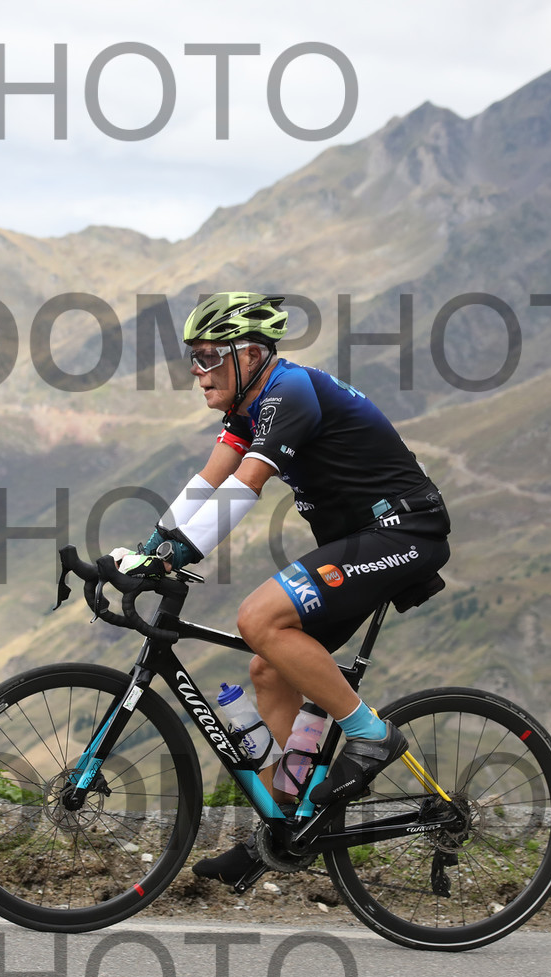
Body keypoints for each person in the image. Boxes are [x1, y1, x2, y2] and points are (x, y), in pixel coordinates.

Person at [112, 292, 451, 884]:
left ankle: (371, 736)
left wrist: (179, 555)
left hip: (402, 530)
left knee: (258, 619)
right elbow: (206, 482)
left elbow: (245, 486)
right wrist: (147, 548)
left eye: (209, 357)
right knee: (270, 670)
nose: (197, 371)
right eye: (192, 358)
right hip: (360, 539)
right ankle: (287, 826)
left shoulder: (288, 392)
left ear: (249, 354)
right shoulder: (246, 411)